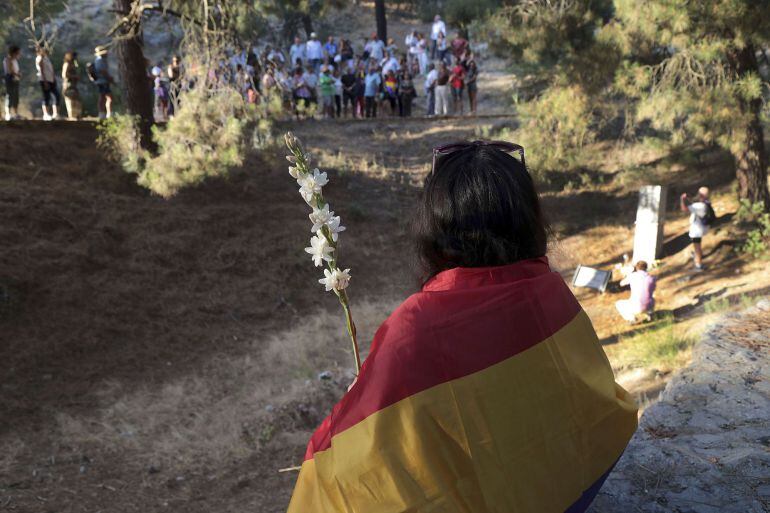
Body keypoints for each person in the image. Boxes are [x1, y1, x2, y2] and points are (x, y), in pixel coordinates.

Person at [286, 141, 638, 513]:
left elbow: (344, 475)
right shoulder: (550, 293)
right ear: (530, 221)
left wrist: (356, 402)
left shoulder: (416, 329)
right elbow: (598, 410)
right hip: (572, 494)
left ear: (435, 231)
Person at [680, 186, 714, 271]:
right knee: (697, 247)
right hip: (701, 229)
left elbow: (684, 209)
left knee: (697, 248)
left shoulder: (699, 206)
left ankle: (698, 265)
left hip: (697, 231)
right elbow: (693, 204)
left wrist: (682, 199)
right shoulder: (706, 204)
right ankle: (697, 260)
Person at [35, 47, 60, 120]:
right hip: (44, 80)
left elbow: (50, 70)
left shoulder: (46, 58)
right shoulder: (39, 58)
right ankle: (46, 114)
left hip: (51, 80)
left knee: (57, 96)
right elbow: (41, 70)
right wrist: (45, 81)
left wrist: (53, 78)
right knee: (47, 97)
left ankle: (55, 114)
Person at [93, 45, 113, 119]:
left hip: (103, 81)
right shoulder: (99, 60)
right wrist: (109, 78)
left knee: (104, 97)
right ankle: (104, 113)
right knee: (105, 97)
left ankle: (105, 113)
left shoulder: (101, 60)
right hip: (102, 81)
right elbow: (102, 71)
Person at [61, 51, 82, 120]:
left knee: (76, 100)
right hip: (68, 85)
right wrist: (74, 76)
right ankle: (71, 116)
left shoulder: (74, 64)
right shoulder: (67, 64)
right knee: (70, 100)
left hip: (73, 85)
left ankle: (77, 115)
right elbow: (64, 75)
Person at [3, 45, 22, 121]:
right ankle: (8, 114)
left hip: (15, 79)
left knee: (15, 96)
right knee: (10, 95)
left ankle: (16, 114)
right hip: (10, 79)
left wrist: (18, 74)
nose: (19, 54)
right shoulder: (8, 59)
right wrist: (17, 74)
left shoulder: (15, 60)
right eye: (18, 52)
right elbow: (9, 70)